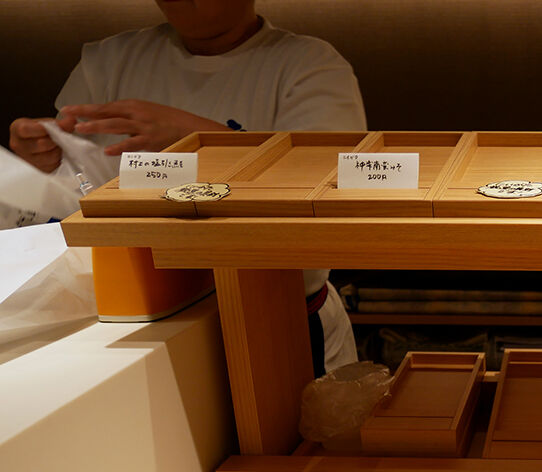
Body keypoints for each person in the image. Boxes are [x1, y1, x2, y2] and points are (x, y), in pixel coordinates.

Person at [8, 0, 365, 375]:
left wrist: (196, 137)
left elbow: (329, 183)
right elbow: (73, 186)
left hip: (276, 318)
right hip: (125, 320)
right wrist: (41, 158)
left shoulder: (311, 65)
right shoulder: (108, 59)